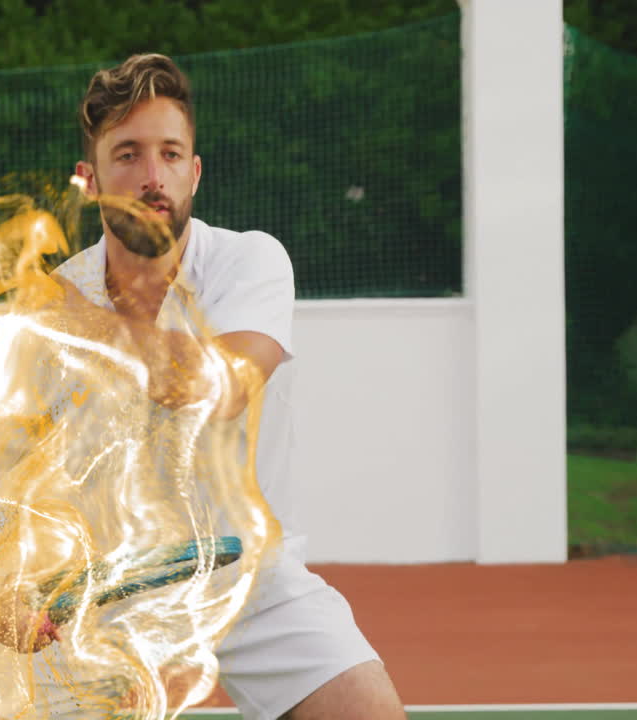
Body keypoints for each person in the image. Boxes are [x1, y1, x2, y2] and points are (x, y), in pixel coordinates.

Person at [50, 53, 405, 720]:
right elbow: (5, 474)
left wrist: (84, 325)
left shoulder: (250, 261)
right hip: (110, 595)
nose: (152, 176)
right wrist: (6, 583)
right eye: (127, 154)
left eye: (169, 154)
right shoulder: (55, 302)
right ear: (89, 179)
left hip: (249, 577)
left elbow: (222, 388)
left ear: (194, 172)